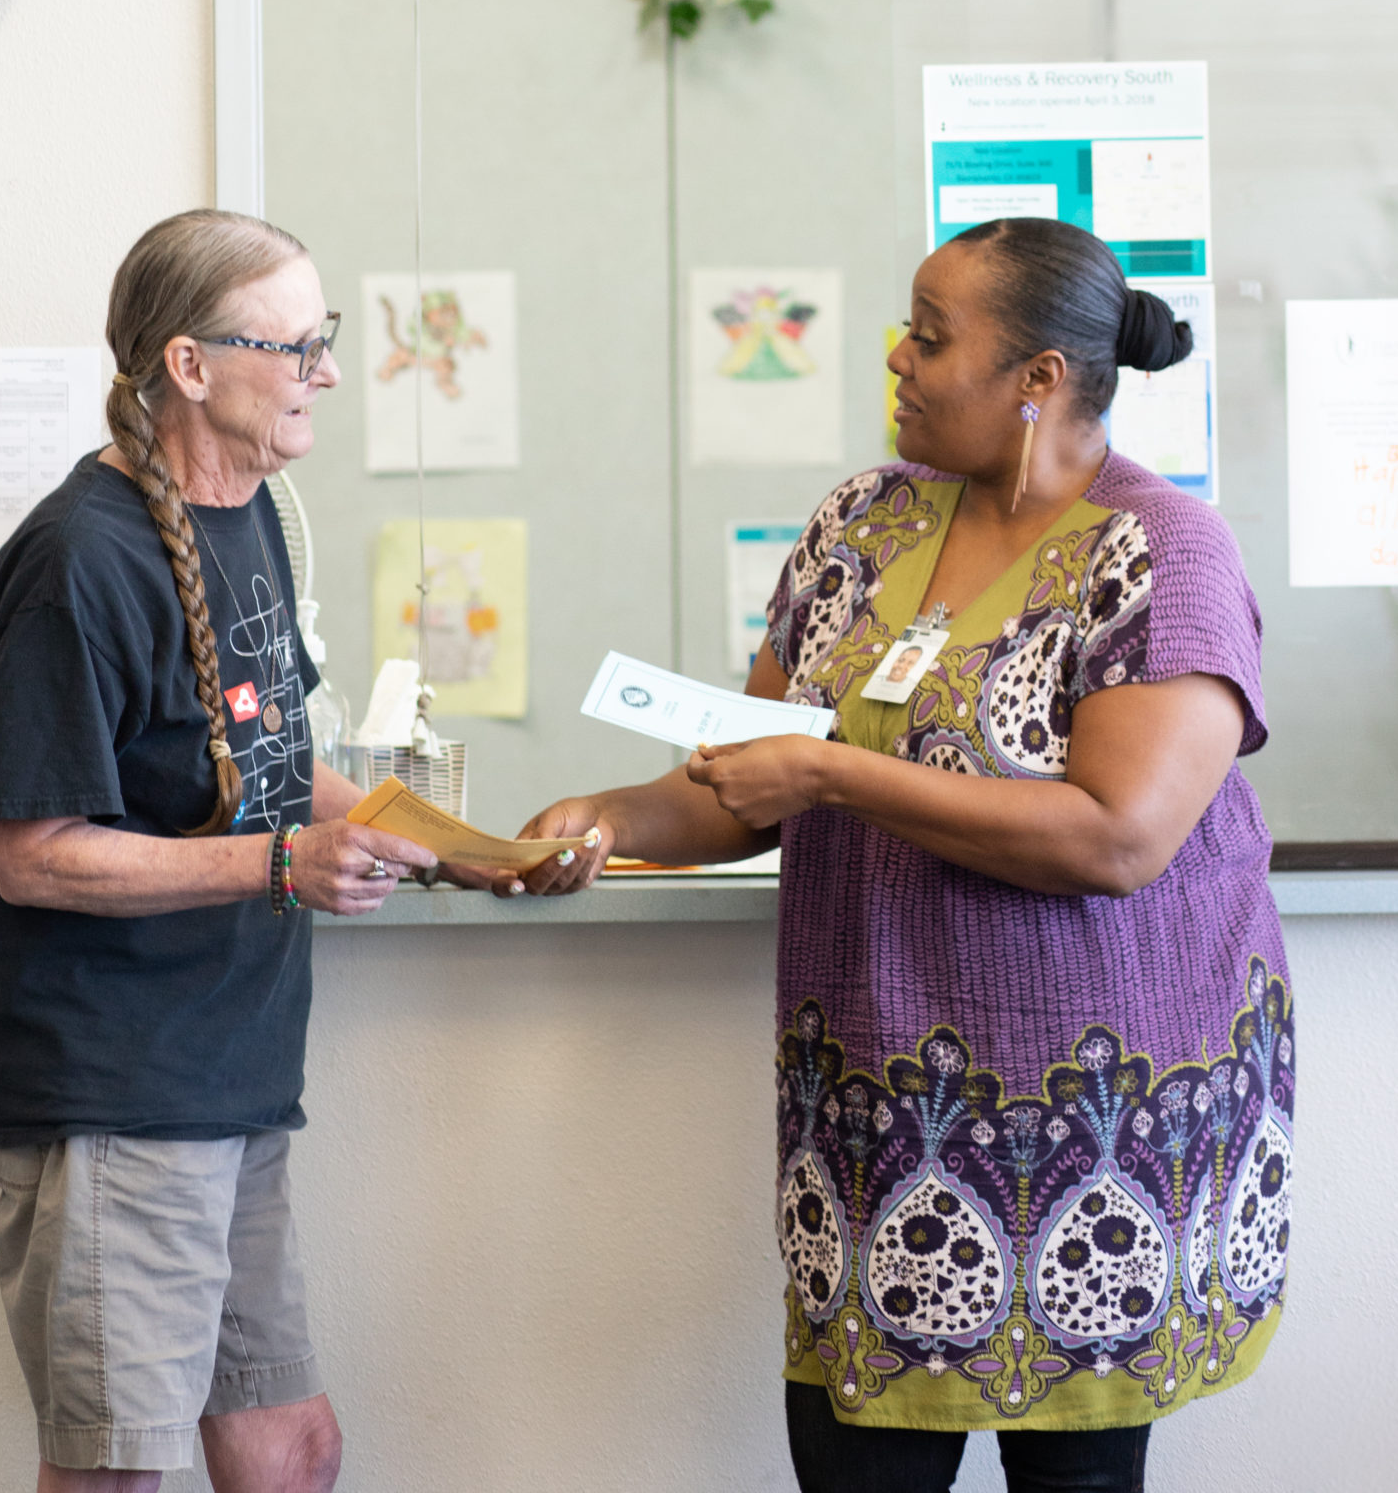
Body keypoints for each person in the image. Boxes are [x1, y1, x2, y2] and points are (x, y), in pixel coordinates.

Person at [510, 218, 1291, 1493]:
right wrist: (611, 817)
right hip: (876, 1124)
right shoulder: (861, 520)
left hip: (1096, 1136)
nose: (898, 356)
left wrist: (832, 769)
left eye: (932, 338)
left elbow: (1117, 836)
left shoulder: (1161, 553)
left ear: (1038, 378)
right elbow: (747, 777)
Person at [0, 210, 433, 1493]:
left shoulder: (251, 514)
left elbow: (273, 769)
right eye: (299, 344)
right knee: (118, 1473)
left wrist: (456, 848)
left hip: (229, 1073)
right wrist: (283, 868)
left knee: (292, 1449)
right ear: (191, 365)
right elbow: (35, 855)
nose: (326, 371)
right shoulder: (75, 563)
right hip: (117, 1090)